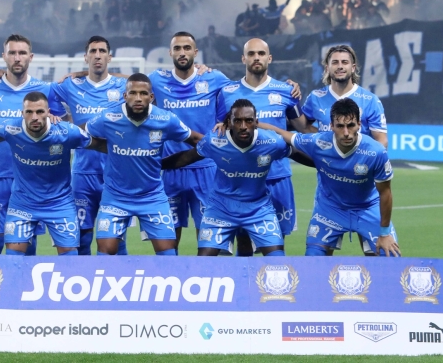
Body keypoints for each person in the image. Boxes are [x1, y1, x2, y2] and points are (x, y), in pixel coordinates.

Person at [261, 98, 400, 257]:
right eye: (340, 126)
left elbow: (385, 193)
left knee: (390, 257)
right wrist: (254, 125)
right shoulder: (318, 142)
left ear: (359, 124)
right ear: (331, 126)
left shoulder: (376, 152)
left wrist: (384, 233)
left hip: (367, 208)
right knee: (313, 259)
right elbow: (282, 133)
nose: (346, 133)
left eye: (350, 125)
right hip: (330, 209)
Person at [86, 73, 203, 256]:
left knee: (167, 253)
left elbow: (196, 140)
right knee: (106, 251)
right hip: (116, 197)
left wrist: (224, 143)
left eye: (143, 93)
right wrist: (53, 126)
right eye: (133, 93)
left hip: (152, 197)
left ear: (151, 97)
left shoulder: (165, 119)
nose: (138, 98)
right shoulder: (108, 118)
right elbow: (81, 134)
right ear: (125, 96)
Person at [216, 38, 313, 255]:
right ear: (243, 59)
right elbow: (220, 130)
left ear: (270, 58)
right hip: (242, 179)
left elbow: (303, 128)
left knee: (275, 244)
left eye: (261, 53)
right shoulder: (227, 92)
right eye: (251, 54)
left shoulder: (286, 91)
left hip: (277, 176)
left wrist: (330, 146)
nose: (256, 57)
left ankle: (272, 279)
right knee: (244, 245)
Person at [0, 92, 106, 256]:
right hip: (23, 203)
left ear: (48, 112)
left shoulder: (65, 132)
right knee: (13, 257)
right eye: (29, 112)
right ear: (22, 113)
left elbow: (100, 145)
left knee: (70, 257)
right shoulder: (11, 128)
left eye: (40, 112)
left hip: (59, 203)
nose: (35, 117)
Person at [0, 34, 67, 255]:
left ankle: (24, 279)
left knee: (28, 241)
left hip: (32, 178)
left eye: (22, 53)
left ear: (31, 57)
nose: (17, 58)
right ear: (4, 56)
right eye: (12, 53)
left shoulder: (46, 89)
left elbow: (63, 125)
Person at [163, 99, 294, 256]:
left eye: (248, 121)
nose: (243, 126)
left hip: (258, 209)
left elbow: (297, 153)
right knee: (203, 262)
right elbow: (187, 157)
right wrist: (155, 164)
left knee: (277, 262)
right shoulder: (215, 140)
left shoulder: (272, 142)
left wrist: (320, 164)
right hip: (220, 209)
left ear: (256, 122)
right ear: (229, 123)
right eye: (237, 121)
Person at [149, 32, 231, 250]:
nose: (182, 52)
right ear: (170, 53)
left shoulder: (214, 78)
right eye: (177, 48)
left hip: (206, 167)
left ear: (195, 52)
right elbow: (128, 84)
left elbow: (242, 93)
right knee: (168, 240)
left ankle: (206, 273)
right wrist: (83, 72)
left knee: (208, 239)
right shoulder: (157, 80)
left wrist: (225, 121)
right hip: (171, 167)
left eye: (187, 48)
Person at [52, 36, 129, 255]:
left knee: (116, 239)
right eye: (93, 51)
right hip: (83, 173)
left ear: (109, 57)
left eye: (102, 51)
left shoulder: (123, 86)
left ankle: (118, 275)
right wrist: (61, 118)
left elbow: (146, 83)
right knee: (82, 236)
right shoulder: (70, 85)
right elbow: (44, 92)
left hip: (115, 174)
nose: (97, 55)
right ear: (85, 57)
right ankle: (84, 276)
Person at [302, 45, 388, 148]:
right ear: (327, 68)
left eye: (344, 62)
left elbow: (381, 141)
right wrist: (323, 141)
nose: (340, 66)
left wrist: (363, 157)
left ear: (353, 68)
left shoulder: (370, 100)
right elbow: (302, 126)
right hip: (326, 158)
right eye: (335, 62)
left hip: (359, 158)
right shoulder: (315, 97)